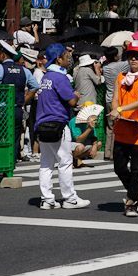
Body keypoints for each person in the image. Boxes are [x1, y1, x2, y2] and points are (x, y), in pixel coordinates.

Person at [36, 43, 90, 209]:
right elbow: (72, 101)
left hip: (42, 124)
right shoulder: (60, 77)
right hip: (58, 124)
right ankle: (69, 198)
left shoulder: (46, 77)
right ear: (58, 59)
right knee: (65, 162)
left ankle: (47, 199)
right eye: (66, 56)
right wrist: (75, 94)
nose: (69, 59)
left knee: (45, 164)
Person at [108, 41, 138, 217]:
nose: (134, 59)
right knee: (119, 167)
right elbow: (115, 98)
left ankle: (132, 201)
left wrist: (120, 109)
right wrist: (115, 109)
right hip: (122, 127)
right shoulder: (121, 77)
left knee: (137, 169)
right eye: (131, 56)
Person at [0, 40, 39, 163]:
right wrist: (23, 101)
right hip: (16, 110)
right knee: (14, 139)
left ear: (3, 55)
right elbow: (35, 87)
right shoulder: (24, 70)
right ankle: (9, 167)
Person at [102, 46, 130, 161]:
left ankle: (107, 153)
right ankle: (114, 153)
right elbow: (130, 63)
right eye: (117, 54)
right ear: (114, 56)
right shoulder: (119, 66)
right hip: (117, 99)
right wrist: (127, 49)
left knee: (110, 127)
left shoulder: (105, 67)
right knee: (117, 126)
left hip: (107, 98)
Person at [68, 102, 102, 168]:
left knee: (99, 144)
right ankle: (69, 160)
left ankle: (77, 159)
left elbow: (94, 137)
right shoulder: (75, 121)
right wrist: (89, 129)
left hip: (83, 144)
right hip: (71, 144)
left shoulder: (90, 120)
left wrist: (94, 146)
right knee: (80, 147)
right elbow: (78, 140)